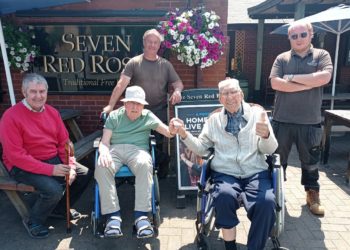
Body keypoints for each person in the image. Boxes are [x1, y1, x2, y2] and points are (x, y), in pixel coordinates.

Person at [169, 78, 278, 250]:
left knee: (267, 202)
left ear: (241, 94)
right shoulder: (213, 121)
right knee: (223, 197)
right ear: (220, 99)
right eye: (225, 93)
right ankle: (230, 247)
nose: (230, 97)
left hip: (255, 171)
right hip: (225, 173)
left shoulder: (258, 115)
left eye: (233, 92)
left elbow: (270, 149)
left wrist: (266, 136)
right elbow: (202, 149)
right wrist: (183, 133)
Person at [0, 73, 92, 239]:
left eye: (42, 91)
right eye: (33, 91)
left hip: (51, 159)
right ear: (24, 92)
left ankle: (58, 210)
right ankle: (34, 220)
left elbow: (64, 143)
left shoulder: (52, 112)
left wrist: (70, 166)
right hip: (21, 165)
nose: (38, 96)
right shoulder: (11, 116)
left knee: (83, 173)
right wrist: (51, 170)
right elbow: (16, 156)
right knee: (53, 190)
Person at [95, 85, 176, 239]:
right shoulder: (114, 116)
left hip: (138, 151)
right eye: (131, 103)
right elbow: (105, 141)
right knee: (101, 166)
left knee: (146, 164)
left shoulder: (148, 116)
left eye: (138, 103)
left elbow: (168, 133)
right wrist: (103, 151)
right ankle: (113, 217)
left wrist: (173, 128)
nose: (135, 107)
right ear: (124, 104)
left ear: (143, 105)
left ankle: (141, 217)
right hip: (115, 150)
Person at [269, 21, 333, 216]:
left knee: (311, 162)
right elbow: (275, 83)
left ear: (310, 34)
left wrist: (290, 78)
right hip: (282, 120)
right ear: (289, 38)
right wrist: (308, 83)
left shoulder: (322, 55)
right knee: (277, 161)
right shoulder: (282, 58)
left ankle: (312, 194)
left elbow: (324, 78)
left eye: (302, 35)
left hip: (310, 122)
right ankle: (276, 194)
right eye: (294, 36)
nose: (298, 39)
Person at [103, 28, 184, 179]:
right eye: (150, 42)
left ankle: (158, 167)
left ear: (159, 45)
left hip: (159, 110)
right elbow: (121, 84)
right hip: (136, 111)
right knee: (141, 142)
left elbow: (178, 83)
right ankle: (144, 170)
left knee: (157, 143)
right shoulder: (134, 63)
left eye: (156, 43)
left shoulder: (165, 65)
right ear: (144, 43)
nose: (152, 45)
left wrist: (177, 91)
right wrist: (111, 105)